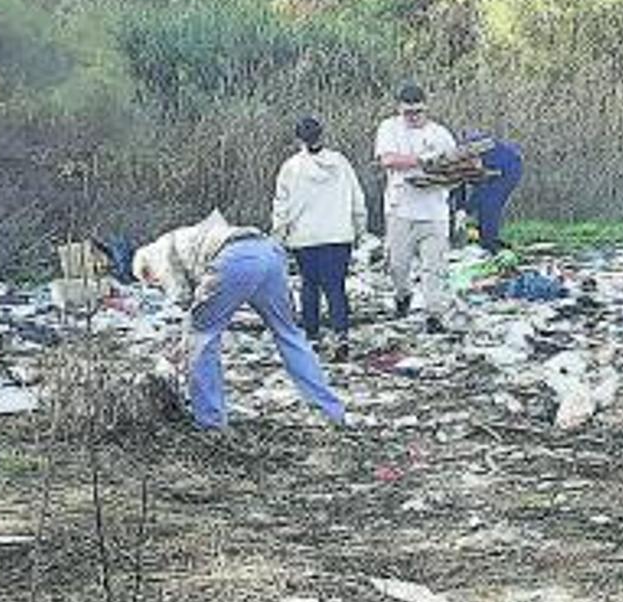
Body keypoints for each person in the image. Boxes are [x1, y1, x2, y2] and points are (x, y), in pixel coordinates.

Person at [132, 210, 346, 431]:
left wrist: (181, 346)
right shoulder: (181, 237)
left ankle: (210, 423)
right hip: (268, 252)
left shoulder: (158, 256)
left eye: (152, 282)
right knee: (288, 334)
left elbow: (185, 299)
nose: (156, 285)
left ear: (146, 272)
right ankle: (331, 411)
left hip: (234, 259)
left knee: (202, 339)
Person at [271, 115, 367, 361]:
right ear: (322, 136)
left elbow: (283, 206)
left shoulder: (291, 168)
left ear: (298, 139)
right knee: (336, 287)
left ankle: (312, 337)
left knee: (309, 286)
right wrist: (359, 229)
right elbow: (357, 199)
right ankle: (341, 336)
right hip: (338, 234)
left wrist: (279, 236)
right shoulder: (340, 163)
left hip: (305, 237)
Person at [373, 82, 457, 333]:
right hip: (401, 210)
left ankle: (434, 314)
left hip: (434, 211)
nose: (413, 117)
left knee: (434, 267)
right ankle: (403, 295)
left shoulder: (440, 134)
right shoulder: (389, 128)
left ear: (426, 108)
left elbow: (456, 165)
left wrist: (444, 174)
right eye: (407, 112)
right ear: (399, 110)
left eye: (418, 112)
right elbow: (387, 159)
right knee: (398, 265)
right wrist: (421, 160)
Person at [459, 131, 523, 253]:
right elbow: (463, 186)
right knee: (485, 203)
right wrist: (462, 208)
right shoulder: (461, 161)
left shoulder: (485, 153)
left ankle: (489, 243)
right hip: (496, 165)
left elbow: (481, 190)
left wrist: (466, 210)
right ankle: (486, 239)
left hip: (509, 168)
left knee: (490, 204)